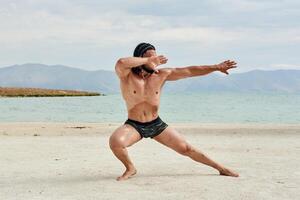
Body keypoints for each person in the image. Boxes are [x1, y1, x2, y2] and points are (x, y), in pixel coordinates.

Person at [109, 42, 239, 181]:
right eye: (151, 57)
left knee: (186, 149)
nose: (156, 60)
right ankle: (130, 168)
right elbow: (121, 62)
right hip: (134, 125)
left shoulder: (161, 75)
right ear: (139, 58)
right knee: (116, 143)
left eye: (156, 56)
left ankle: (221, 168)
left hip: (155, 123)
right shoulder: (127, 75)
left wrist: (216, 67)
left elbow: (190, 71)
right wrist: (149, 60)